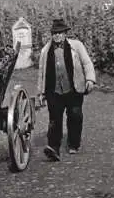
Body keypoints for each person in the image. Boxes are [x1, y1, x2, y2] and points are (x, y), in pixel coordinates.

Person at [37, 18, 96, 161]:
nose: (57, 36)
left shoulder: (76, 46)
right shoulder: (45, 50)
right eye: (54, 33)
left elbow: (87, 63)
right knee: (54, 119)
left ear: (65, 33)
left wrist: (90, 79)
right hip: (54, 91)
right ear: (51, 34)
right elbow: (41, 72)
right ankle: (53, 148)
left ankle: (73, 144)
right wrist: (40, 92)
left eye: (60, 33)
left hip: (73, 88)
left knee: (75, 115)